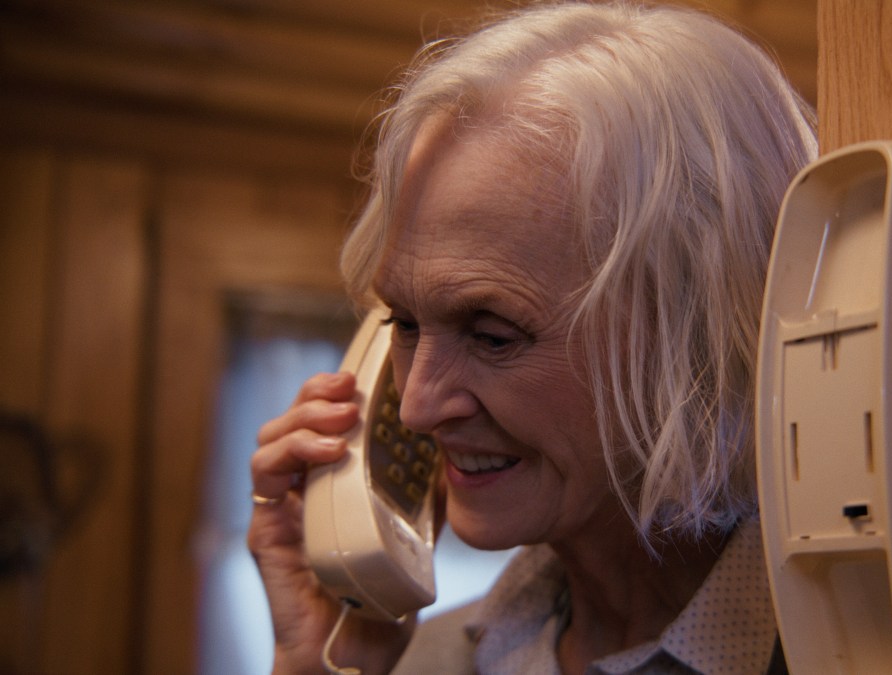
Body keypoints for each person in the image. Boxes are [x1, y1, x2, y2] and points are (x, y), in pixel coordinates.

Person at [248, 2, 818, 673]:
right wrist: (328, 660)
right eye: (404, 322)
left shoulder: (865, 649)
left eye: (492, 337)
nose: (415, 407)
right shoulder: (424, 659)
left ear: (699, 339)